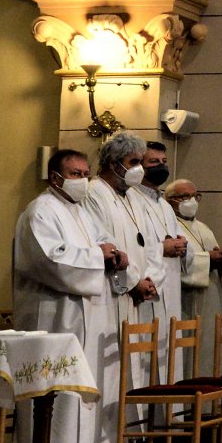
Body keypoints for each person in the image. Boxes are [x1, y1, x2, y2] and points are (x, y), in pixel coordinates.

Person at [12, 149, 130, 443]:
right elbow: (48, 260)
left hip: (86, 316)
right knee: (57, 390)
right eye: (76, 174)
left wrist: (116, 256)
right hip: (54, 317)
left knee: (83, 390)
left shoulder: (82, 213)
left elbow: (106, 243)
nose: (83, 180)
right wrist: (98, 256)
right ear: (56, 178)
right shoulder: (40, 212)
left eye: (85, 173)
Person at [84, 133, 161, 383]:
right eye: (133, 162)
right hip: (112, 292)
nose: (138, 169)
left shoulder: (133, 197)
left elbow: (148, 242)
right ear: (113, 164)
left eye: (140, 162)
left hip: (135, 293)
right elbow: (104, 243)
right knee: (112, 371)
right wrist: (134, 281)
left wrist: (149, 278)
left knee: (132, 370)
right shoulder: (94, 193)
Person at [163, 178, 222, 370]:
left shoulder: (203, 227)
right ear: (170, 200)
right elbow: (175, 263)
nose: (191, 200)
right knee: (191, 355)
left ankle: (213, 397)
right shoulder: (169, 227)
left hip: (212, 298)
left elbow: (212, 255)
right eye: (185, 196)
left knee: (212, 348)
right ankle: (190, 398)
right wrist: (210, 259)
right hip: (187, 301)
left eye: (195, 196)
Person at [137, 141, 191, 330]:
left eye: (164, 161)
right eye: (153, 162)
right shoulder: (133, 201)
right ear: (139, 166)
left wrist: (183, 246)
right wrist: (162, 248)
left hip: (172, 286)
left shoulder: (165, 206)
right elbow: (133, 245)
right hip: (150, 288)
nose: (160, 166)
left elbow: (183, 242)